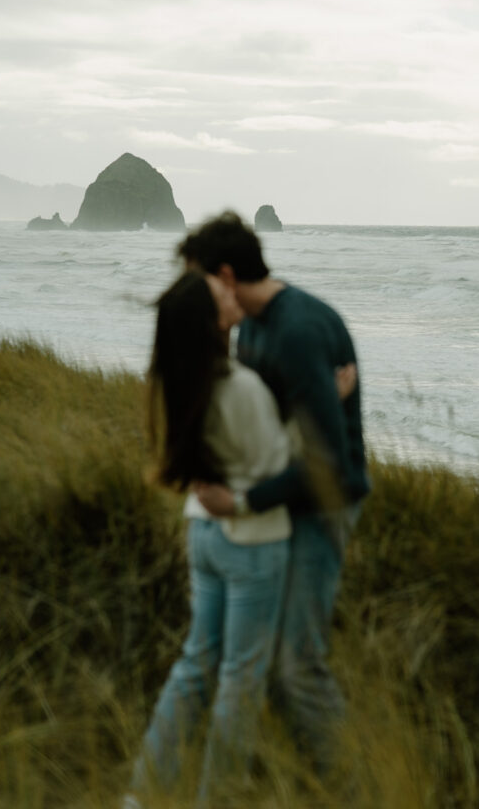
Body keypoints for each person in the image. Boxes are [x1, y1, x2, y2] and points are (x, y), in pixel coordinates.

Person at [123, 270, 356, 807]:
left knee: (194, 665)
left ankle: (140, 794)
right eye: (219, 293)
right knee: (240, 681)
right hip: (250, 543)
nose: (231, 291)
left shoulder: (182, 379)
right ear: (212, 320)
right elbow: (281, 464)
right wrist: (330, 401)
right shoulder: (240, 387)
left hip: (202, 532)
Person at [179, 212, 370, 778]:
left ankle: (356, 785)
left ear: (228, 275)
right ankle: (290, 774)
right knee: (262, 658)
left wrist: (242, 503)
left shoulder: (297, 330)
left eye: (200, 280)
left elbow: (327, 465)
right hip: (279, 499)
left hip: (321, 504)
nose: (195, 294)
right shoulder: (250, 326)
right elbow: (266, 421)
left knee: (296, 663)